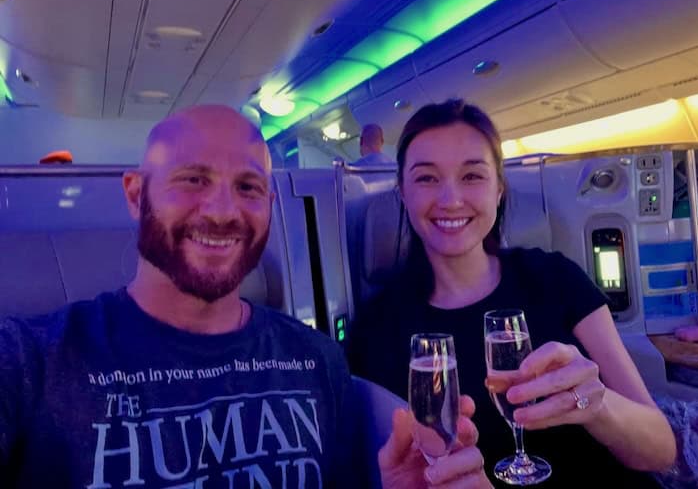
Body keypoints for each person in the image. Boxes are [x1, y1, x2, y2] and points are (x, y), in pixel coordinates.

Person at [0, 105, 490, 488]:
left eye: (248, 187)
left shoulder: (316, 360)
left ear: (270, 206)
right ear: (135, 194)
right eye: (193, 179)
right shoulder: (30, 361)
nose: (222, 211)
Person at [348, 99, 677, 487]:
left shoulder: (554, 278)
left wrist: (597, 405)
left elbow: (661, 450)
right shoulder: (375, 331)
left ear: (499, 190)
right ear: (402, 192)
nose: (451, 199)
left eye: (472, 176)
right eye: (426, 178)